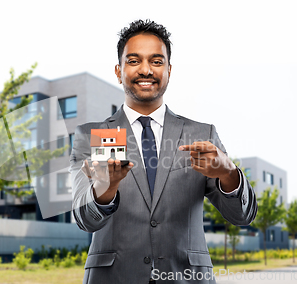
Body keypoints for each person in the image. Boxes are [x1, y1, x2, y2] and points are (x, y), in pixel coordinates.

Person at [69, 19, 257, 284]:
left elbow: (241, 215)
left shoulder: (202, 135)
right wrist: (104, 191)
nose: (146, 70)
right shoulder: (91, 136)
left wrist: (228, 174)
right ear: (118, 71)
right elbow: (84, 219)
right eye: (134, 61)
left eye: (156, 61)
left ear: (169, 70)